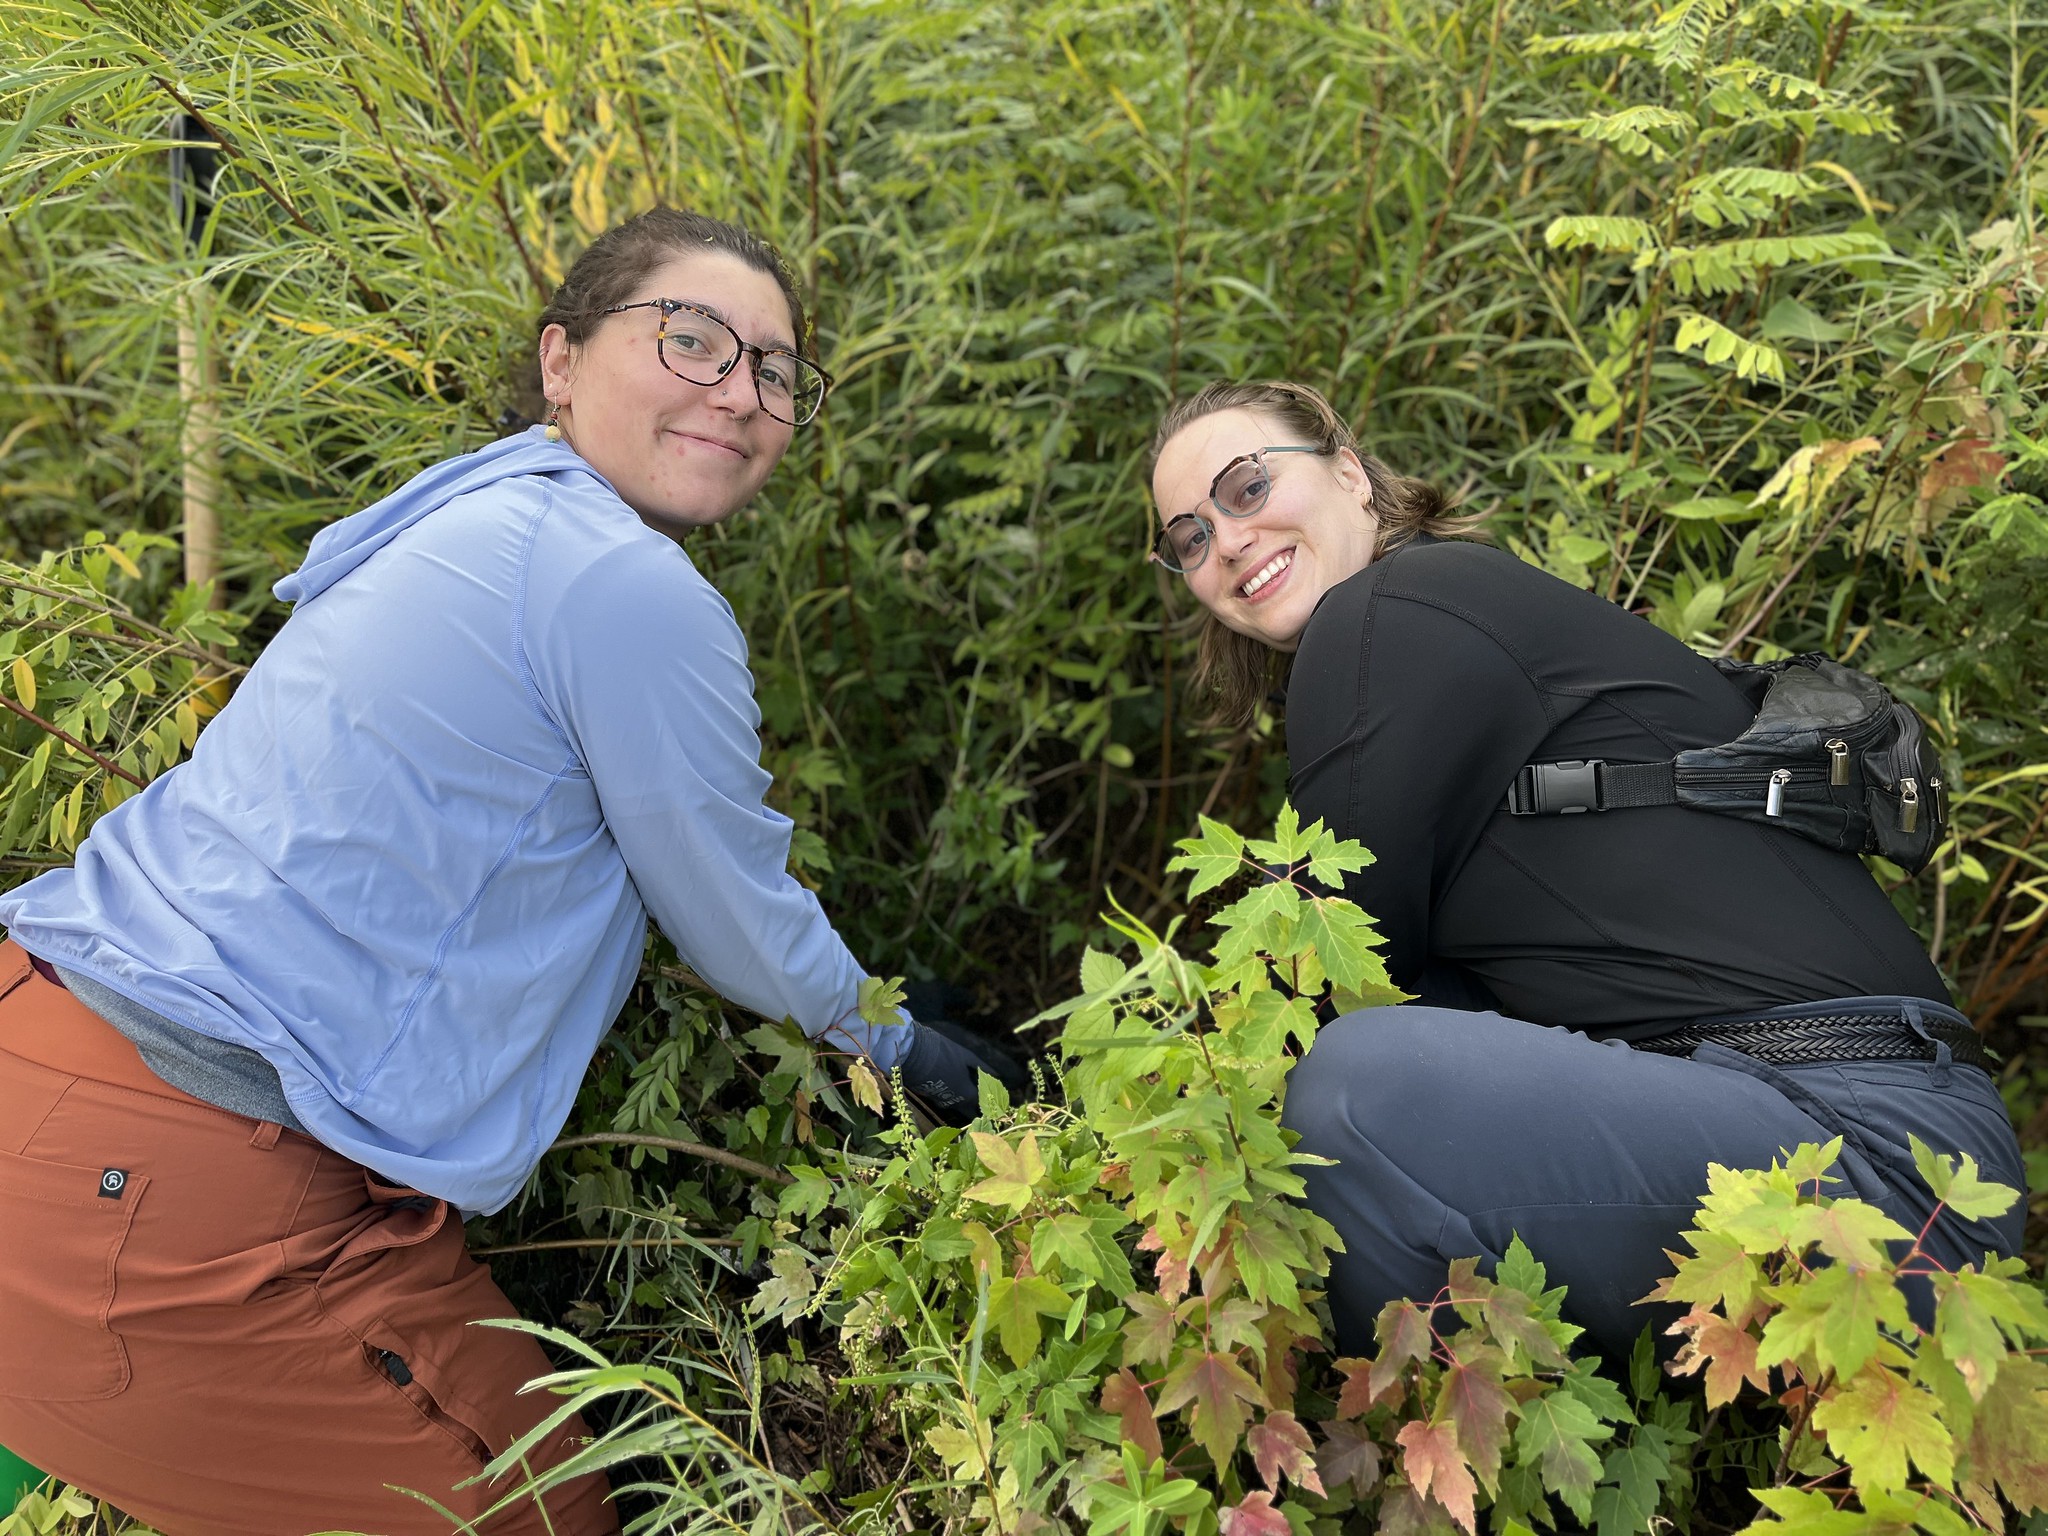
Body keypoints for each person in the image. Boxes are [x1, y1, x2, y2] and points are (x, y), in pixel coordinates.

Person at [0, 207, 1019, 1536]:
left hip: (53, 1065)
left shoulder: (475, 511)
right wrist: (900, 1040)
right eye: (693, 340)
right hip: (184, 1176)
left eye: (774, 370)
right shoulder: (621, 585)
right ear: (562, 361)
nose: (741, 391)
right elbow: (735, 918)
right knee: (535, 1516)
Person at [1147, 378, 2027, 1361]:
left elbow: (1310, 988)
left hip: (1868, 1161)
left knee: (1353, 1091)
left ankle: (1381, 1474)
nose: (1222, 540)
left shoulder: (1384, 615)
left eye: (1244, 486)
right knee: (1419, 1020)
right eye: (1185, 536)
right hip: (1887, 1154)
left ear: (1348, 474)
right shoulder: (1445, 628)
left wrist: (1139, 1145)